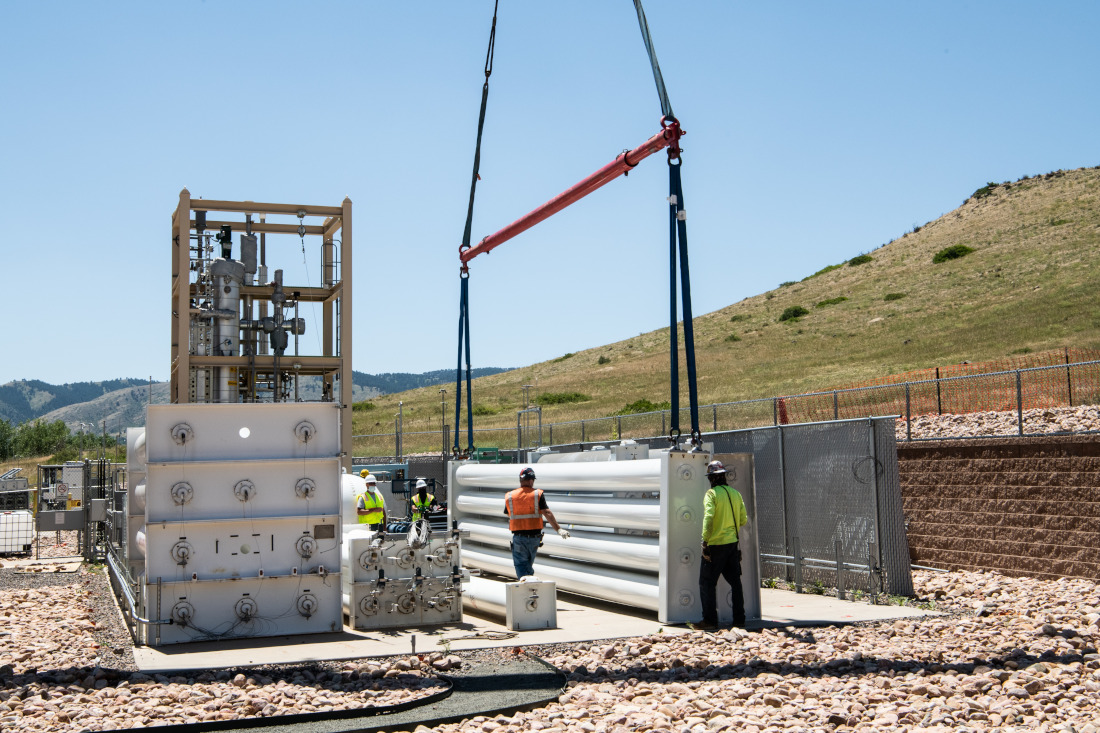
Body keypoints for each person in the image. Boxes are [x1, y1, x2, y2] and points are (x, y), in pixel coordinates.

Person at [697, 459, 748, 630]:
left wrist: (705, 541)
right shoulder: (736, 494)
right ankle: (739, 620)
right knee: (735, 583)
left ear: (712, 478)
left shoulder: (711, 495)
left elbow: (709, 517)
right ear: (724, 476)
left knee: (706, 583)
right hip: (732, 545)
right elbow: (743, 520)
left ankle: (710, 621)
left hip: (715, 545)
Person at [503, 467, 570, 579]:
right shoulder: (537, 494)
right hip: (534, 538)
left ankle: (527, 588)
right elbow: (547, 512)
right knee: (527, 566)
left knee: (521, 567)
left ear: (521, 480)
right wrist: (559, 529)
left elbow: (508, 513)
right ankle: (529, 586)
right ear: (531, 480)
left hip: (519, 538)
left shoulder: (510, 496)